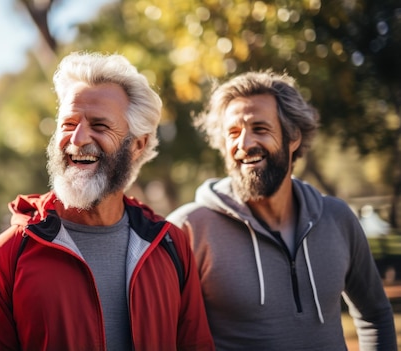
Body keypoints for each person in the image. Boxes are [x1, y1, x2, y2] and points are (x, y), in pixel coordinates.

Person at [0, 52, 214, 351]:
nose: (78, 138)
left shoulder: (170, 245)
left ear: (137, 144)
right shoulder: (7, 254)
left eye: (100, 125)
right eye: (68, 124)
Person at [167, 70, 397, 350]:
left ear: (294, 136)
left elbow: (375, 314)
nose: (245, 144)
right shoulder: (187, 230)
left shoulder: (337, 218)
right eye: (233, 133)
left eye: (260, 129)